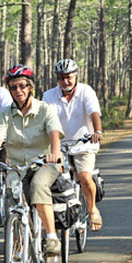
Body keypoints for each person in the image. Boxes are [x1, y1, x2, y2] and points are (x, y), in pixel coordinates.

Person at [0, 64, 64, 257]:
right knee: (12, 198)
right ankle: (19, 241)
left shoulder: (44, 109)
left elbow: (54, 136)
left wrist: (55, 155)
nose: (19, 91)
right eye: (14, 87)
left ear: (30, 87)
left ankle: (51, 238)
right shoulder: (5, 113)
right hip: (17, 166)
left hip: (44, 162)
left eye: (23, 86)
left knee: (38, 186)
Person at [42, 58, 104, 231]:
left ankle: (92, 209)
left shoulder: (86, 91)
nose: (65, 81)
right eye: (61, 77)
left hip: (84, 143)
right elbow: (44, 119)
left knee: (85, 177)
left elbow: (94, 113)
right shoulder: (49, 95)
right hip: (58, 145)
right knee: (56, 178)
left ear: (76, 76)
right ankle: (62, 210)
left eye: (69, 77)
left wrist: (97, 132)